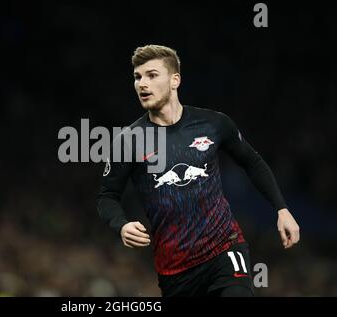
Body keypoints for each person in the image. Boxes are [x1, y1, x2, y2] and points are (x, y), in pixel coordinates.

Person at [96, 44, 300, 297]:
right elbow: (107, 197)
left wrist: (282, 209)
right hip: (175, 270)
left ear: (174, 80)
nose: (142, 84)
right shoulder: (128, 141)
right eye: (137, 77)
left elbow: (252, 162)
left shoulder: (214, 124)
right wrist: (122, 225)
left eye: (151, 75)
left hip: (224, 248)